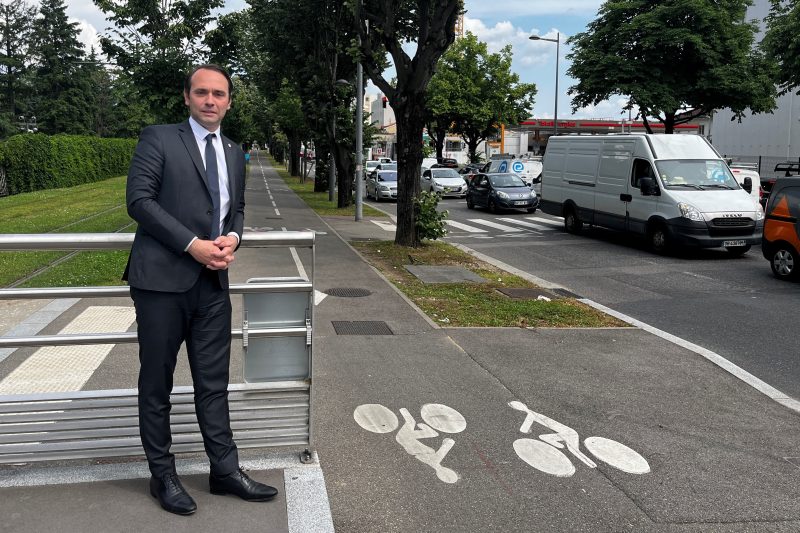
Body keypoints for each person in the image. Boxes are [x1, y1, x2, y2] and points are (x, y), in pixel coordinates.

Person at [124, 64, 278, 516]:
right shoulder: (159, 138)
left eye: (219, 94)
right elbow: (140, 201)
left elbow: (237, 210)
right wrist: (192, 245)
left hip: (212, 284)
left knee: (213, 384)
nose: (211, 101)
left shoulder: (234, 150)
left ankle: (224, 471)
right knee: (157, 384)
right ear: (187, 97)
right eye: (202, 93)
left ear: (229, 101)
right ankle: (163, 475)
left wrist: (234, 237)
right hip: (160, 284)